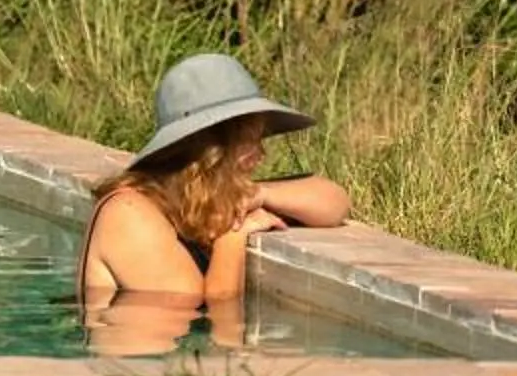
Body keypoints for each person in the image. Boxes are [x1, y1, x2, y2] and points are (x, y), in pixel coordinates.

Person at [79, 52, 352, 355]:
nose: (262, 155)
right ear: (210, 149)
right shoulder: (128, 213)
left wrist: (261, 194)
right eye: (250, 141)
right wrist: (233, 235)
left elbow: (334, 202)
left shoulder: (206, 199)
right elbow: (204, 311)